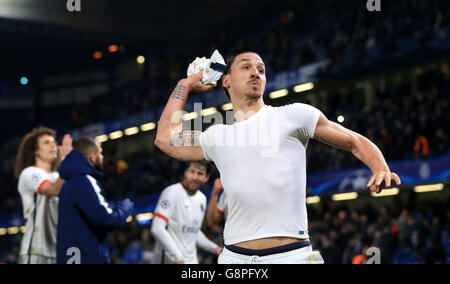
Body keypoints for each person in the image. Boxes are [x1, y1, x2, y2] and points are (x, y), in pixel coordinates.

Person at [155, 51, 402, 264]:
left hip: (292, 255)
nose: (256, 72)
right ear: (226, 81)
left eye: (261, 69)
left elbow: (353, 140)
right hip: (235, 258)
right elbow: (165, 138)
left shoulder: (293, 116)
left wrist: (379, 166)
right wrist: (185, 85)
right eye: (246, 67)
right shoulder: (218, 134)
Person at [56, 137, 134, 264]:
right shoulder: (84, 180)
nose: (102, 157)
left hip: (74, 257)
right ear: (92, 156)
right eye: (100, 153)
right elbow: (106, 219)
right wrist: (126, 207)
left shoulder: (70, 182)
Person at [14, 126, 73, 264]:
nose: (53, 145)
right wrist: (69, 160)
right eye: (46, 142)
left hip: (59, 252)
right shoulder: (29, 173)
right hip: (36, 252)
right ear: (35, 151)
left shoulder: (58, 175)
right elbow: (53, 189)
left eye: (54, 142)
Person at [150, 161, 222, 264]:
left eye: (200, 173)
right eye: (192, 171)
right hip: (169, 261)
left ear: (206, 177)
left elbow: (194, 232)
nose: (195, 177)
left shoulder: (202, 199)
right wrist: (177, 257)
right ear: (185, 172)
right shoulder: (171, 192)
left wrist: (215, 248)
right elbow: (157, 228)